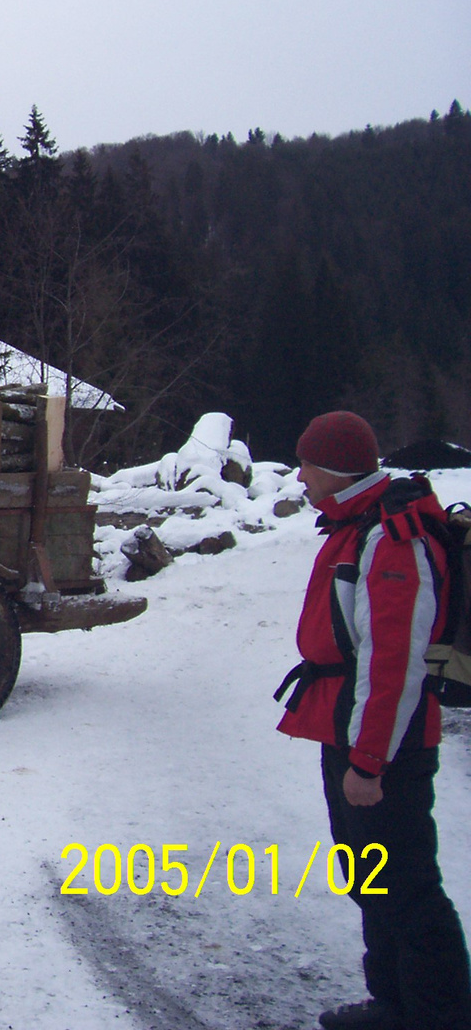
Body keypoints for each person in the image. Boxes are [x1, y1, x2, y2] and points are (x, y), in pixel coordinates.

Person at [276, 411, 471, 1030]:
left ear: (331, 470)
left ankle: (439, 1015)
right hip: (351, 731)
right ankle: (395, 1002)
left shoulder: (391, 539)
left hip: (385, 744)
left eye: (306, 463)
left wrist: (369, 762)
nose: (299, 476)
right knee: (372, 877)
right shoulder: (359, 523)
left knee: (407, 883)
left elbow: (395, 665)